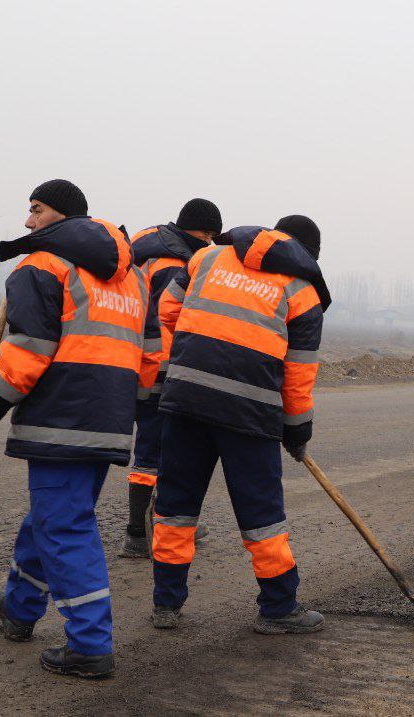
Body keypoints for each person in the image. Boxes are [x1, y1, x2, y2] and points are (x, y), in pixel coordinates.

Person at [0, 179, 146, 678]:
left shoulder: (41, 266)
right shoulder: (131, 276)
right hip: (106, 420)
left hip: (63, 415)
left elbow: (26, 357)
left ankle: (90, 643)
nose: (27, 222)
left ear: (59, 216)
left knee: (64, 527)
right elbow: (147, 356)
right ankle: (19, 608)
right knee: (51, 517)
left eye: (35, 210)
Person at [150, 215, 330, 635]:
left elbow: (168, 309)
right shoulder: (302, 292)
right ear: (307, 254)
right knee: (262, 512)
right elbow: (299, 373)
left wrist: (194, 358)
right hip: (249, 412)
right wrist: (297, 429)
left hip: (185, 398)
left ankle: (166, 605)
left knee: (176, 504)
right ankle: (278, 607)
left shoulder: (208, 258)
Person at [120, 199, 222, 558]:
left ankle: (152, 525)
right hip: (160, 364)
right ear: (193, 229)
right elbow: (165, 322)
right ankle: (140, 533)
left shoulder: (147, 245)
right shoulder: (172, 264)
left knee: (153, 445)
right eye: (207, 235)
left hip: (130, 357)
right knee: (154, 448)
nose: (210, 243)